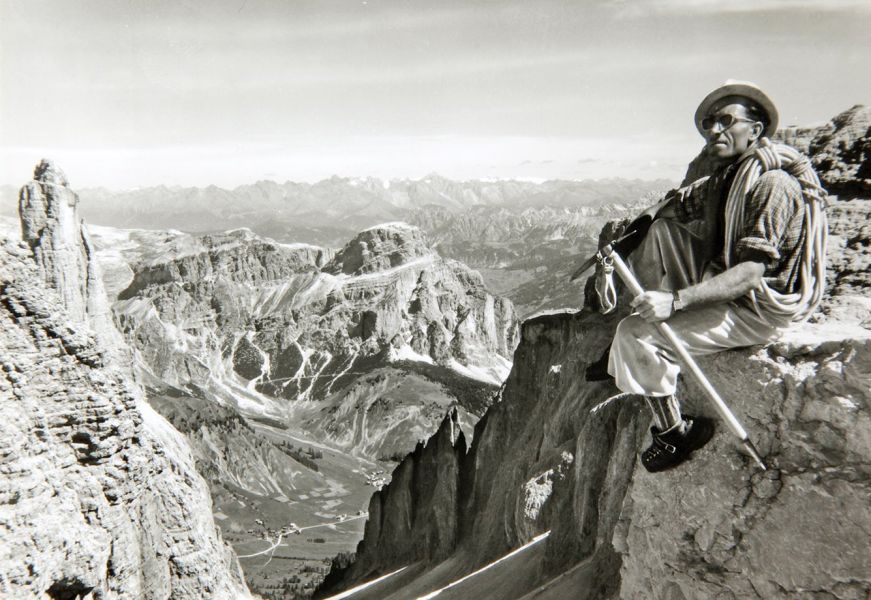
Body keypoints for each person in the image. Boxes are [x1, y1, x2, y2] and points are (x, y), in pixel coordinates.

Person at [598, 80, 827, 473]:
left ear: (755, 130)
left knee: (633, 334)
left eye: (726, 121)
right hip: (724, 283)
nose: (714, 131)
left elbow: (750, 274)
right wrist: (632, 233)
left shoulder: (772, 186)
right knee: (662, 231)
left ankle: (674, 433)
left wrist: (676, 301)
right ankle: (649, 330)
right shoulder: (727, 179)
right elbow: (671, 206)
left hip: (755, 307)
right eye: (708, 124)